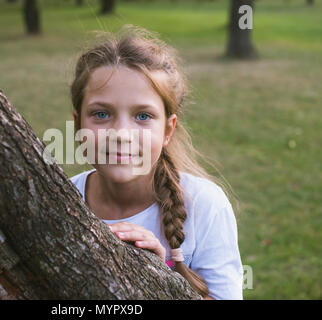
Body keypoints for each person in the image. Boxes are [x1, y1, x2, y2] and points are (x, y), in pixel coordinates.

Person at [68, 25, 243, 300]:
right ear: (78, 124)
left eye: (143, 116)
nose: (121, 135)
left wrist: (156, 277)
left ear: (168, 130)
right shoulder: (62, 198)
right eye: (101, 114)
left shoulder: (204, 206)